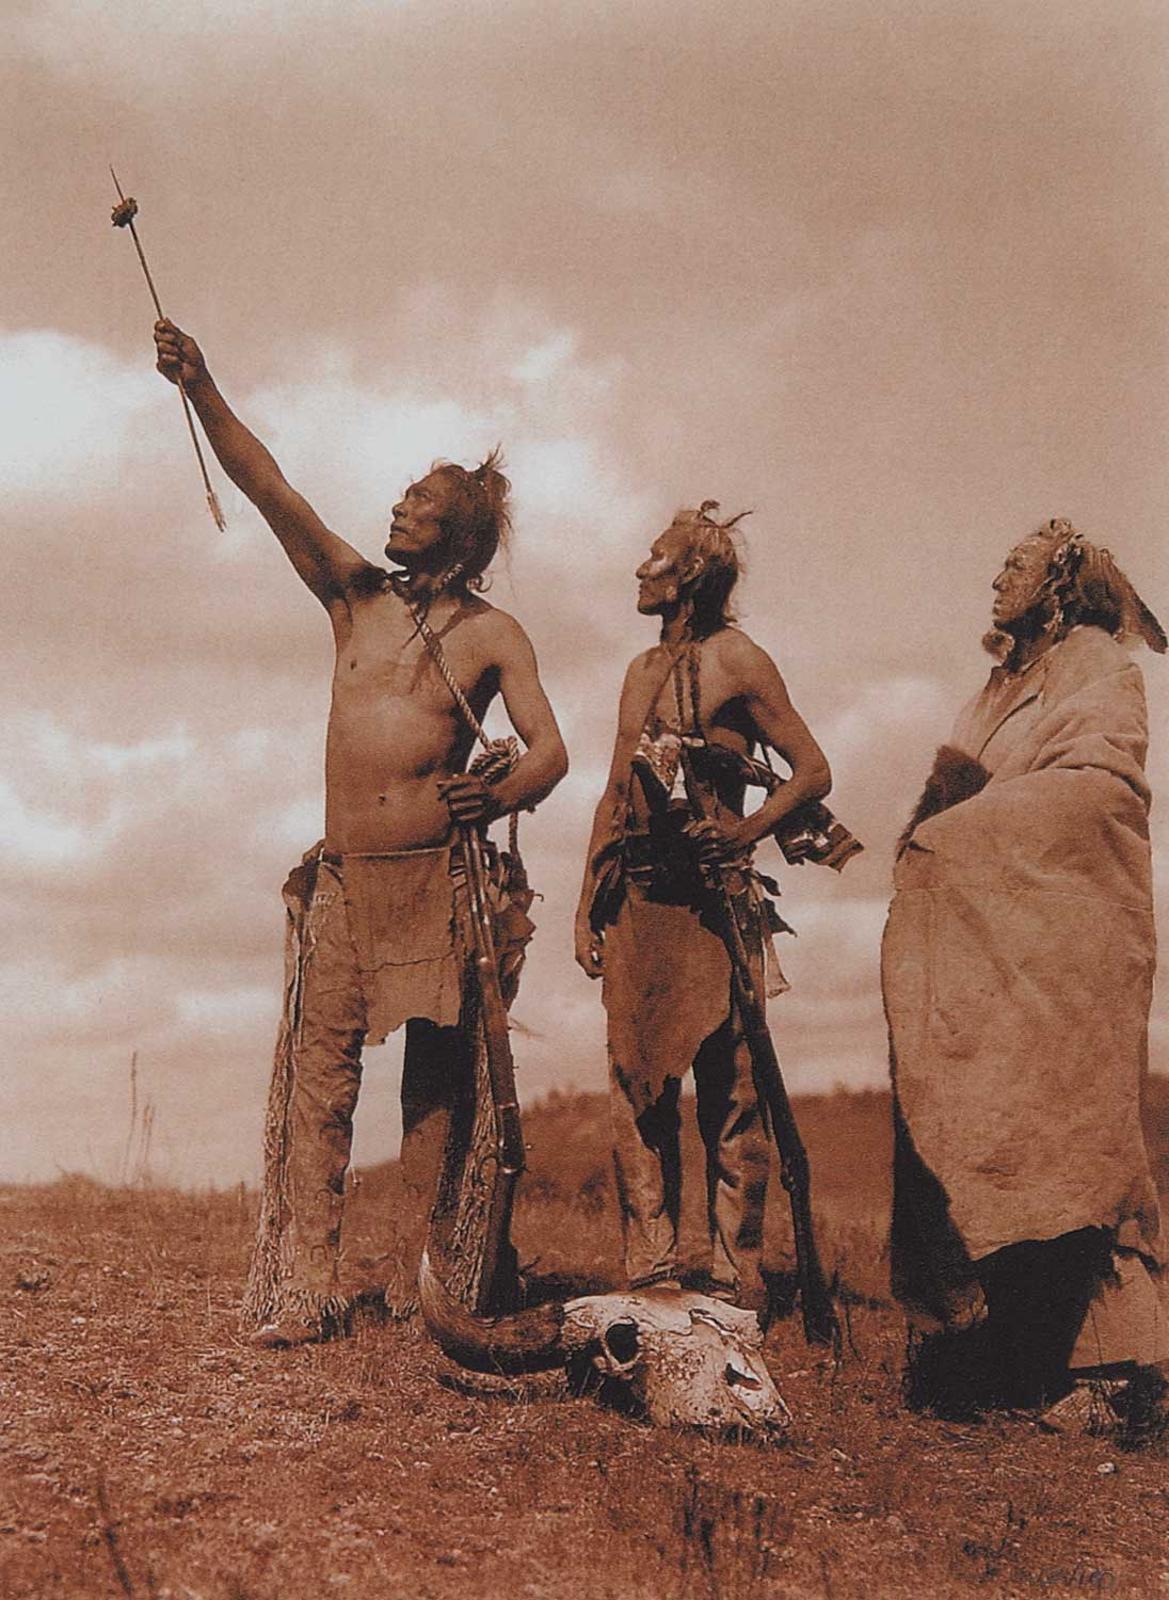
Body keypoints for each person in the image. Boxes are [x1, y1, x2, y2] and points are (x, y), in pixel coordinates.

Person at [153, 319, 568, 1347]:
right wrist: (200, 384)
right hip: (345, 881)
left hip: (441, 884)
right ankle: (303, 1288)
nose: (396, 505)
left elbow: (549, 751)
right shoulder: (352, 596)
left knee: (433, 1089)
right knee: (319, 1078)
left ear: (458, 532)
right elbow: (270, 489)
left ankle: (434, 1283)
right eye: (401, 495)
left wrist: (499, 792)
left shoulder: (488, 633)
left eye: (419, 502)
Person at [884, 518, 1168, 1431]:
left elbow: (1102, 780)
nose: (997, 575)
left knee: (1077, 1137)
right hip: (993, 932)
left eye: (1017, 565)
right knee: (988, 1117)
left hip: (1065, 934)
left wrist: (969, 835)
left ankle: (1114, 1373)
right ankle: (1009, 1349)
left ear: (1059, 586)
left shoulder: (1094, 661)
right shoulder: (999, 681)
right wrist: (941, 839)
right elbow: (957, 793)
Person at [574, 502, 834, 1318]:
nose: (639, 570)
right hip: (638, 902)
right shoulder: (638, 673)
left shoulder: (739, 660)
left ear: (687, 573)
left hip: (714, 906)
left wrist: (745, 832)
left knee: (731, 1093)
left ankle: (732, 1278)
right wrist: (587, 900)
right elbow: (617, 788)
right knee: (636, 1086)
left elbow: (811, 770)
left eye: (653, 557)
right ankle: (652, 1271)